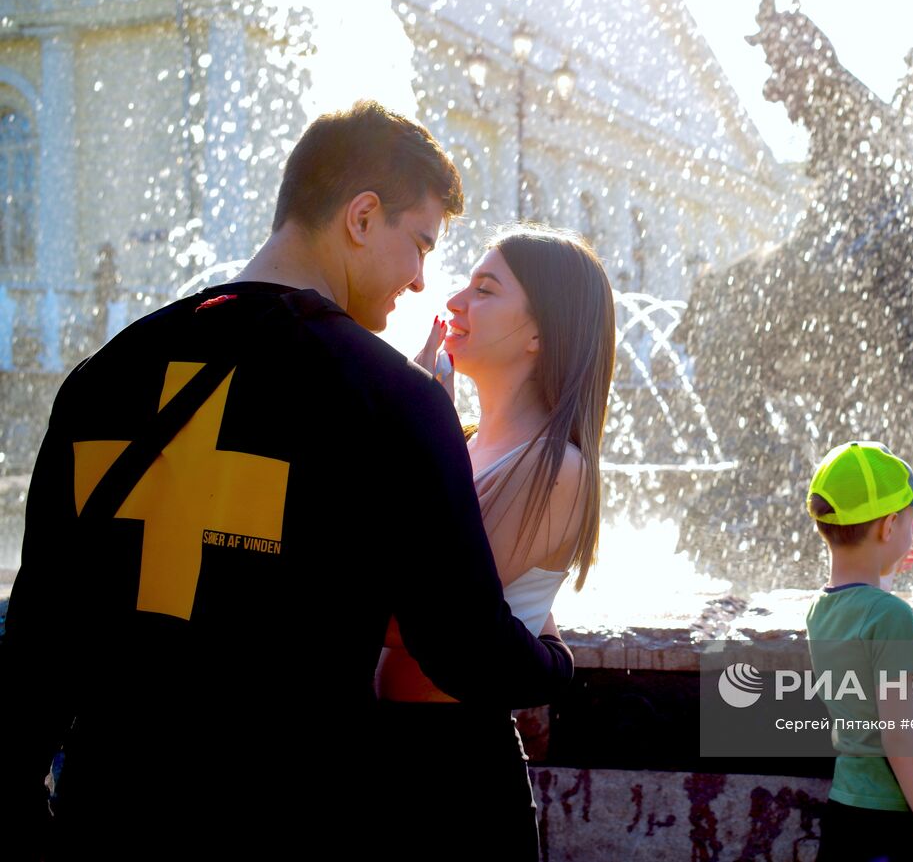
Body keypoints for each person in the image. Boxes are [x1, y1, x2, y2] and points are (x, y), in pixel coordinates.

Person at [0, 101, 573, 860]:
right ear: (362, 216)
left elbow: (39, 641)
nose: (420, 280)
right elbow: (460, 645)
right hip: (290, 824)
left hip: (109, 820)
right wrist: (554, 665)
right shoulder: (393, 400)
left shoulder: (106, 375)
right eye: (421, 243)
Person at [375, 224, 615, 854]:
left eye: (485, 289)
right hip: (398, 750)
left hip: (449, 769)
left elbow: (418, 617)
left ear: (540, 333)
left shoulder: (555, 470)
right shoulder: (473, 443)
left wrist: (416, 434)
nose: (454, 300)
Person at [804, 441, 913, 862]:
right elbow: (900, 736)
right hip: (902, 823)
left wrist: (886, 568)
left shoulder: (821, 609)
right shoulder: (892, 617)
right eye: (912, 517)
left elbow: (865, 619)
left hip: (850, 811)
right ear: (888, 527)